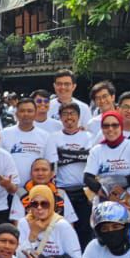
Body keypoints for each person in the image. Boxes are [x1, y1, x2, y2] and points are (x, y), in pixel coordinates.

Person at [83, 110, 130, 208]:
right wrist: (102, 190)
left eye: (115, 125)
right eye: (106, 126)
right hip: (105, 204)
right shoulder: (96, 150)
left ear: (121, 126)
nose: (110, 129)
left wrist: (110, 184)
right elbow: (87, 177)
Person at [50, 102, 96, 242]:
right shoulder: (53, 137)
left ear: (78, 116)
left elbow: (90, 157)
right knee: (64, 229)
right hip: (62, 190)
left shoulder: (89, 136)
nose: (69, 117)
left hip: (84, 190)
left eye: (72, 114)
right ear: (60, 117)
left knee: (85, 229)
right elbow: (52, 160)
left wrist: (64, 155)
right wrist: (79, 155)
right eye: (65, 114)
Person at [3, 96, 56, 196]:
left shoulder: (45, 136)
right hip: (8, 190)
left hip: (36, 192)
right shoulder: (4, 134)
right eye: (22, 111)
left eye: (30, 111)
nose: (26, 114)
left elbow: (51, 164)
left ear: (35, 114)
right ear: (16, 114)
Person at [11, 158, 77, 225]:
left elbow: (69, 223)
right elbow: (17, 224)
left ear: (52, 174)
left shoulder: (61, 194)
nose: (40, 173)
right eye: (36, 170)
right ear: (31, 174)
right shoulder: (21, 193)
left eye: (44, 170)